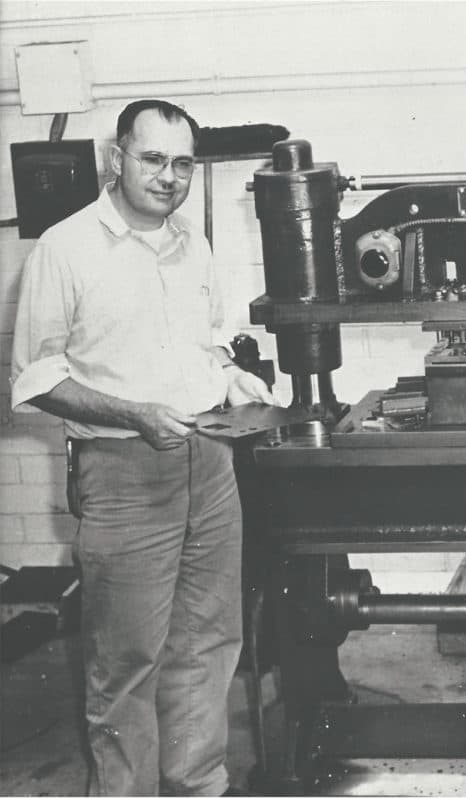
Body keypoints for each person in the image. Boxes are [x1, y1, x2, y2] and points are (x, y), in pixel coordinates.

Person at [10, 99, 273, 796]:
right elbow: (36, 378)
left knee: (209, 643)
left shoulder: (196, 245)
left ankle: (198, 784)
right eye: (153, 159)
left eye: (183, 163)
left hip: (210, 463)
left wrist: (233, 376)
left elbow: (207, 341)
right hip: (123, 470)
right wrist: (134, 413)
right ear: (115, 159)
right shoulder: (65, 248)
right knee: (125, 662)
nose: (169, 176)